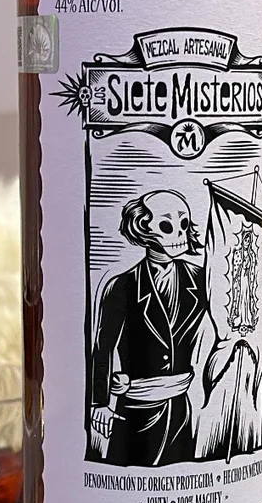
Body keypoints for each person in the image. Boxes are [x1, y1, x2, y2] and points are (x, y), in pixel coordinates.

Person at [89, 190, 211, 467]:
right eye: (166, 225)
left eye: (183, 224)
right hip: (136, 409)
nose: (179, 234)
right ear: (143, 228)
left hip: (180, 408)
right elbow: (102, 348)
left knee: (180, 470)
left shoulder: (201, 279)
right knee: (128, 470)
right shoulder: (122, 285)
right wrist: (100, 403)